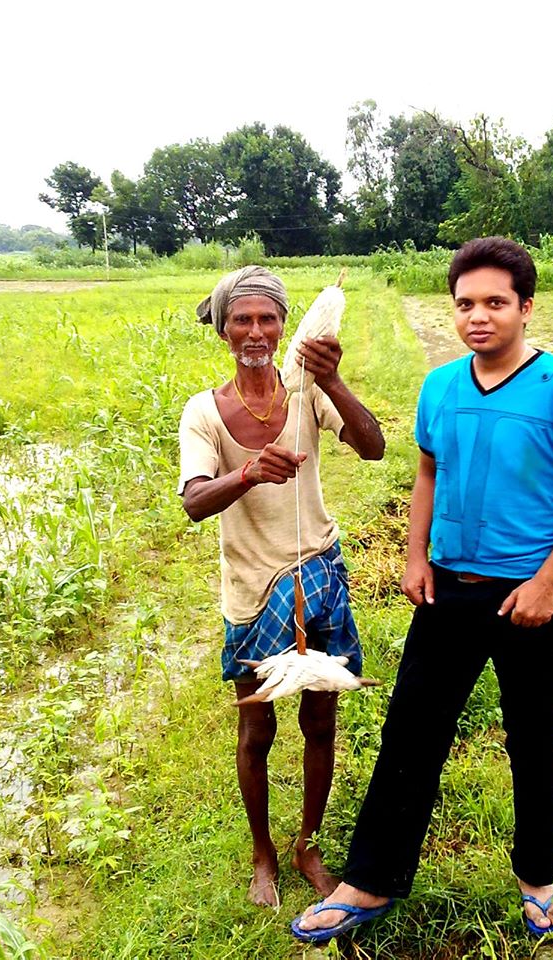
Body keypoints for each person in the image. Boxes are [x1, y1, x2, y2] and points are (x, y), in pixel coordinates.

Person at [293, 237, 553, 942]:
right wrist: (415, 558)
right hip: (447, 592)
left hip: (528, 599)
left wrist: (547, 582)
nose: (479, 316)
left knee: (532, 737)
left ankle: (538, 878)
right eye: (466, 303)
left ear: (526, 308)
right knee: (410, 730)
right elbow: (427, 475)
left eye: (496, 302)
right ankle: (370, 880)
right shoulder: (440, 386)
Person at [178, 266, 385, 908]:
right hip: (252, 587)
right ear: (223, 330)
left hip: (318, 574)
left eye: (268, 319)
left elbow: (373, 446)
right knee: (257, 728)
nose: (257, 331)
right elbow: (192, 502)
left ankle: (307, 844)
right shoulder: (204, 412)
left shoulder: (306, 388)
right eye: (242, 319)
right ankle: (263, 853)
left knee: (321, 717)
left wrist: (332, 378)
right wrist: (246, 475)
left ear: (284, 326)